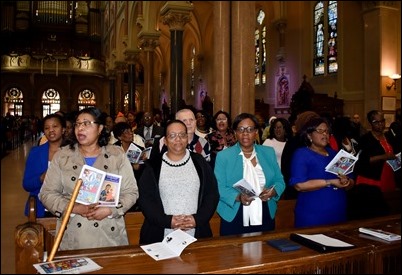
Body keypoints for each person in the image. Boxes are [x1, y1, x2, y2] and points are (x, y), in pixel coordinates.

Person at [39, 107, 139, 250]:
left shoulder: (116, 155)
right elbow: (47, 193)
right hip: (74, 232)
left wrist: (109, 210)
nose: (80, 128)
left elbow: (131, 192)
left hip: (109, 233)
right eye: (78, 124)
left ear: (100, 129)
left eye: (86, 123)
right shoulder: (63, 156)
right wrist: (74, 208)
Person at [138, 119, 219, 244]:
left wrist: (197, 219)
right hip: (161, 232)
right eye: (172, 135)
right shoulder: (152, 166)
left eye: (182, 135)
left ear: (187, 138)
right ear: (165, 140)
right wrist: (168, 221)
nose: (178, 139)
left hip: (195, 232)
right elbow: (146, 200)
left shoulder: (200, 162)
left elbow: (211, 194)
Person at [214, 113, 285, 236]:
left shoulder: (268, 152)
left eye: (250, 129)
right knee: (233, 254)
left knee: (265, 252)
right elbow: (219, 187)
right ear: (235, 133)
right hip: (235, 212)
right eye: (241, 129)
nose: (245, 133)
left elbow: (280, 180)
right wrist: (238, 197)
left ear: (256, 132)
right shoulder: (224, 156)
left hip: (265, 211)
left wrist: (273, 192)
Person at [289, 117, 354, 228]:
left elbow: (351, 181)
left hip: (338, 212)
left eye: (327, 131)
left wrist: (346, 181)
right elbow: (299, 185)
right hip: (313, 214)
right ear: (309, 135)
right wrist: (330, 182)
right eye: (320, 131)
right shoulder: (302, 154)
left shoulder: (335, 153)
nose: (325, 134)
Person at [349, 110, 399, 220]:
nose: (380, 124)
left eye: (382, 121)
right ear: (370, 123)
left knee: (390, 207)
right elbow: (362, 161)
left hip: (388, 175)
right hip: (371, 179)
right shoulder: (365, 139)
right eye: (376, 122)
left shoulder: (389, 137)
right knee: (374, 212)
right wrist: (383, 156)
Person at [23, 113, 66, 218]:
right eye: (47, 128)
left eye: (55, 126)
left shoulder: (73, 151)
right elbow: (27, 184)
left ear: (63, 129)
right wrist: (41, 178)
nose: (51, 130)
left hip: (67, 208)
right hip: (42, 208)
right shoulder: (36, 153)